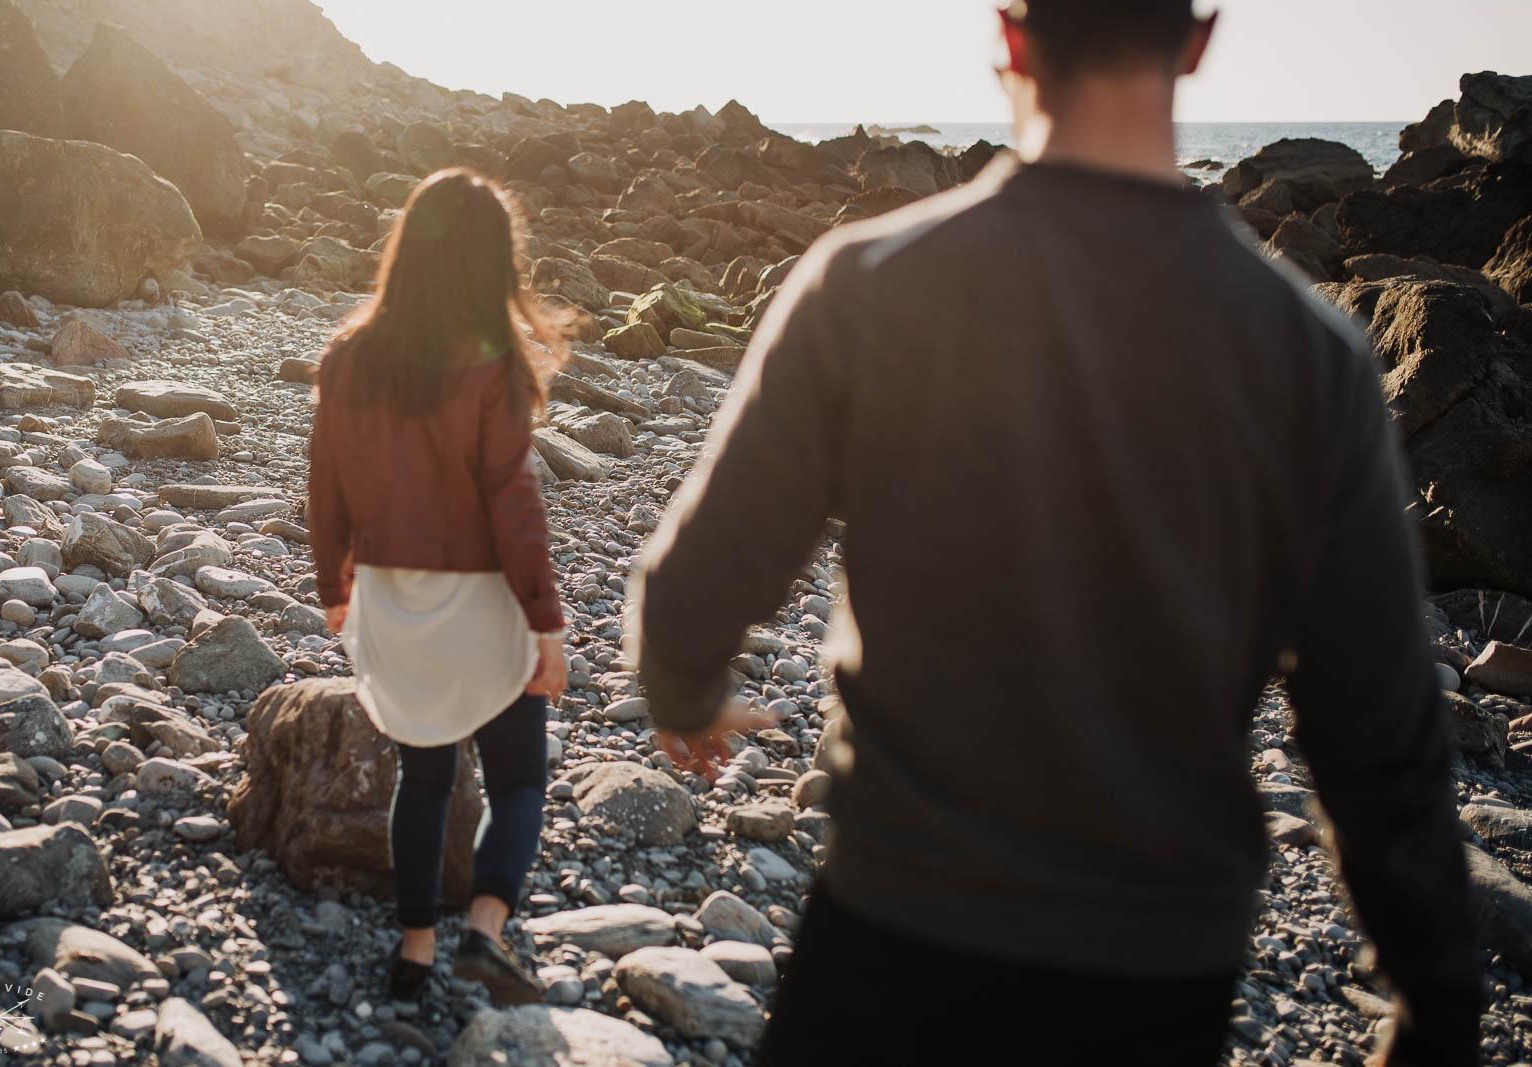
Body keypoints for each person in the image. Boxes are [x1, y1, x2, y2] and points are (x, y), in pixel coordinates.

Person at [627, 2, 1482, 1064]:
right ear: (1196, 43)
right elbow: (1377, 725)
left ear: (1009, 39)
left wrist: (683, 689)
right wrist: (1434, 996)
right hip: (1157, 967)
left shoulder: (870, 282)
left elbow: (698, 579)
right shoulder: (1310, 354)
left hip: (903, 922)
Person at [308, 167, 569, 1005]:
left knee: (425, 779)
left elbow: (325, 484)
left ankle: (414, 953)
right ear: (496, 261)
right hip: (482, 599)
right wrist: (547, 620)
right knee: (520, 778)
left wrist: (334, 588)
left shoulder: (349, 358)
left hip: (392, 595)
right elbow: (513, 502)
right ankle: (483, 930)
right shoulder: (494, 366)